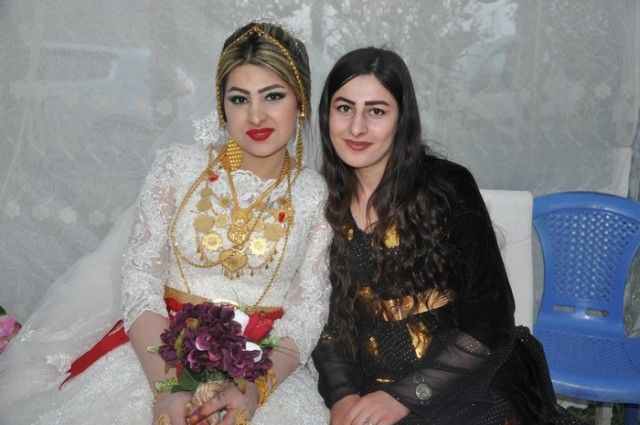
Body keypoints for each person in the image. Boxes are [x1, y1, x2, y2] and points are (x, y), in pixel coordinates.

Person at [0, 20, 331, 425]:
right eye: (239, 99)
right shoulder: (178, 168)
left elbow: (308, 309)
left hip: (261, 369)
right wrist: (168, 387)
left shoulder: (314, 195)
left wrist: (254, 389)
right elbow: (140, 278)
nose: (255, 115)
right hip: (158, 356)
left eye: (273, 96)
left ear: (300, 101)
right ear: (222, 106)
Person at [311, 47, 585, 425]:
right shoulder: (318, 201)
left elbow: (492, 316)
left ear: (402, 119)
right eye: (344, 108)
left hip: (466, 372)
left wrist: (403, 397)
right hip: (370, 378)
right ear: (326, 113)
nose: (356, 128)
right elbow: (325, 320)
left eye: (376, 111)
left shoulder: (447, 188)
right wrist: (342, 396)